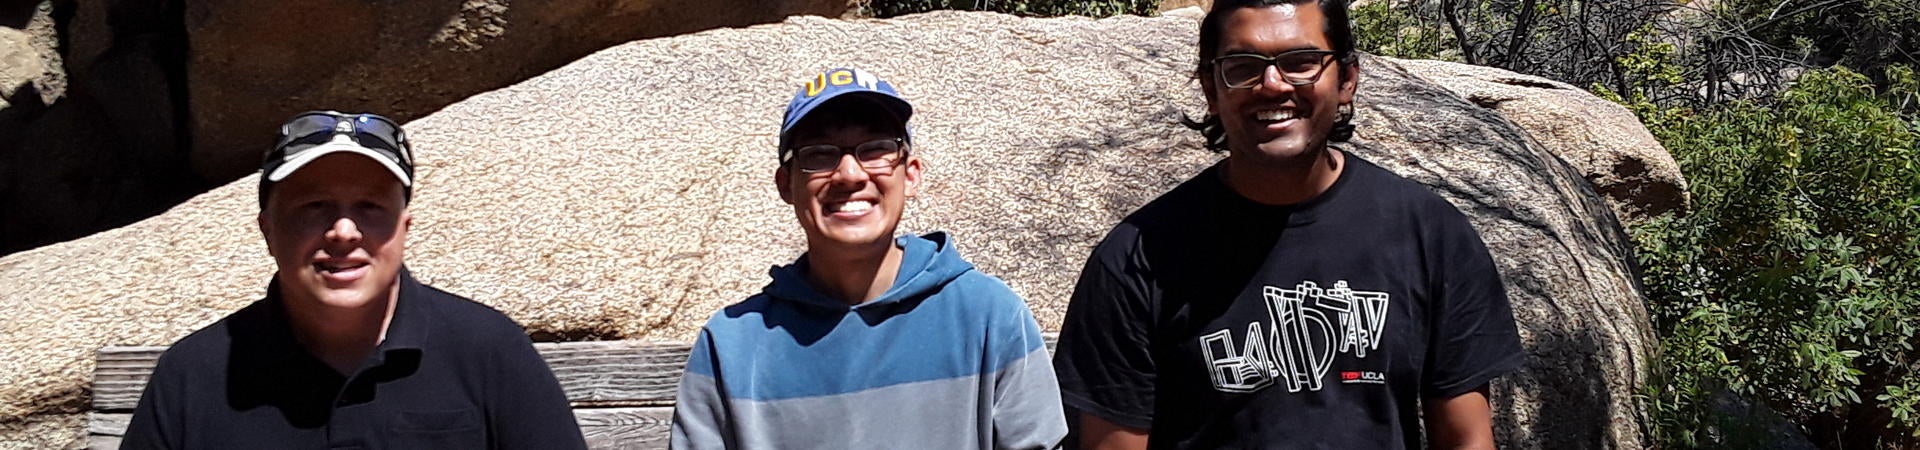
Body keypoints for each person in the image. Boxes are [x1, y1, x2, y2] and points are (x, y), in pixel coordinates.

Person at [1051, 1, 1525, 448]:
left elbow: (1466, 438)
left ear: (1347, 80)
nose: (1273, 84)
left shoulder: (1430, 234)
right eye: (1242, 67)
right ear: (1211, 90)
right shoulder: (1138, 258)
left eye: (1301, 61)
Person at [120, 111, 589, 449]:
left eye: (369, 208)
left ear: (403, 230)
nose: (344, 232)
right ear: (268, 230)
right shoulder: (192, 375)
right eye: (313, 207)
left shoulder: (488, 351)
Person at [670, 68, 1067, 449]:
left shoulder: (989, 318)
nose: (849, 174)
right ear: (786, 184)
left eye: (875, 149)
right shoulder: (731, 344)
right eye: (820, 154)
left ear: (910, 174)